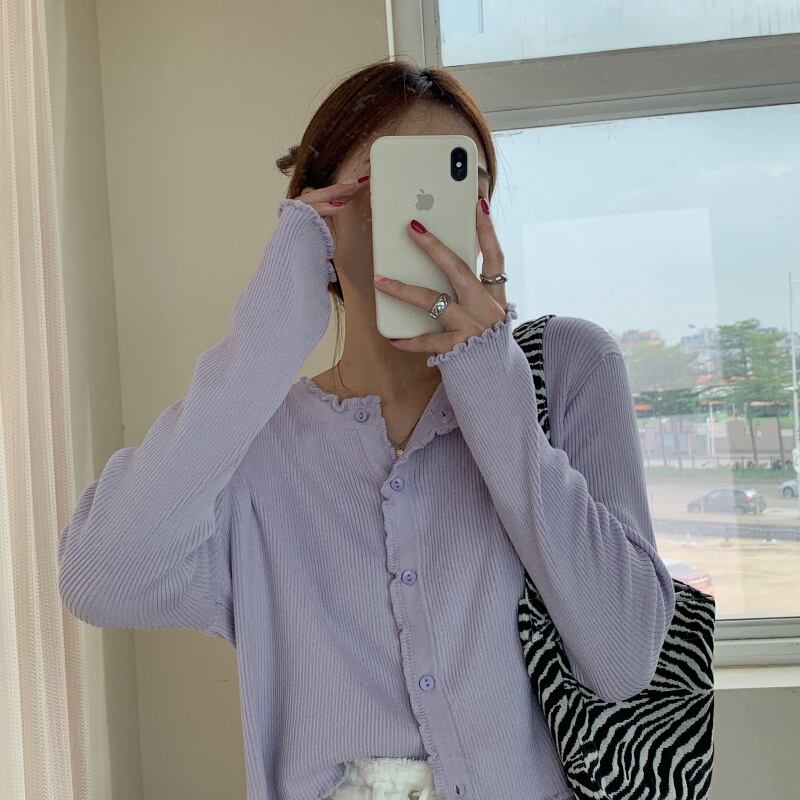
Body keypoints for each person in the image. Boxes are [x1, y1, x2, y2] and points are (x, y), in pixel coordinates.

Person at [57, 58, 676, 800]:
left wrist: (490, 383)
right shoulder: (255, 444)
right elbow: (102, 580)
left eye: (464, 184)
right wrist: (273, 325)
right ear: (321, 211)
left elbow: (624, 656)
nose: (433, 215)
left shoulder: (568, 369)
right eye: (398, 180)